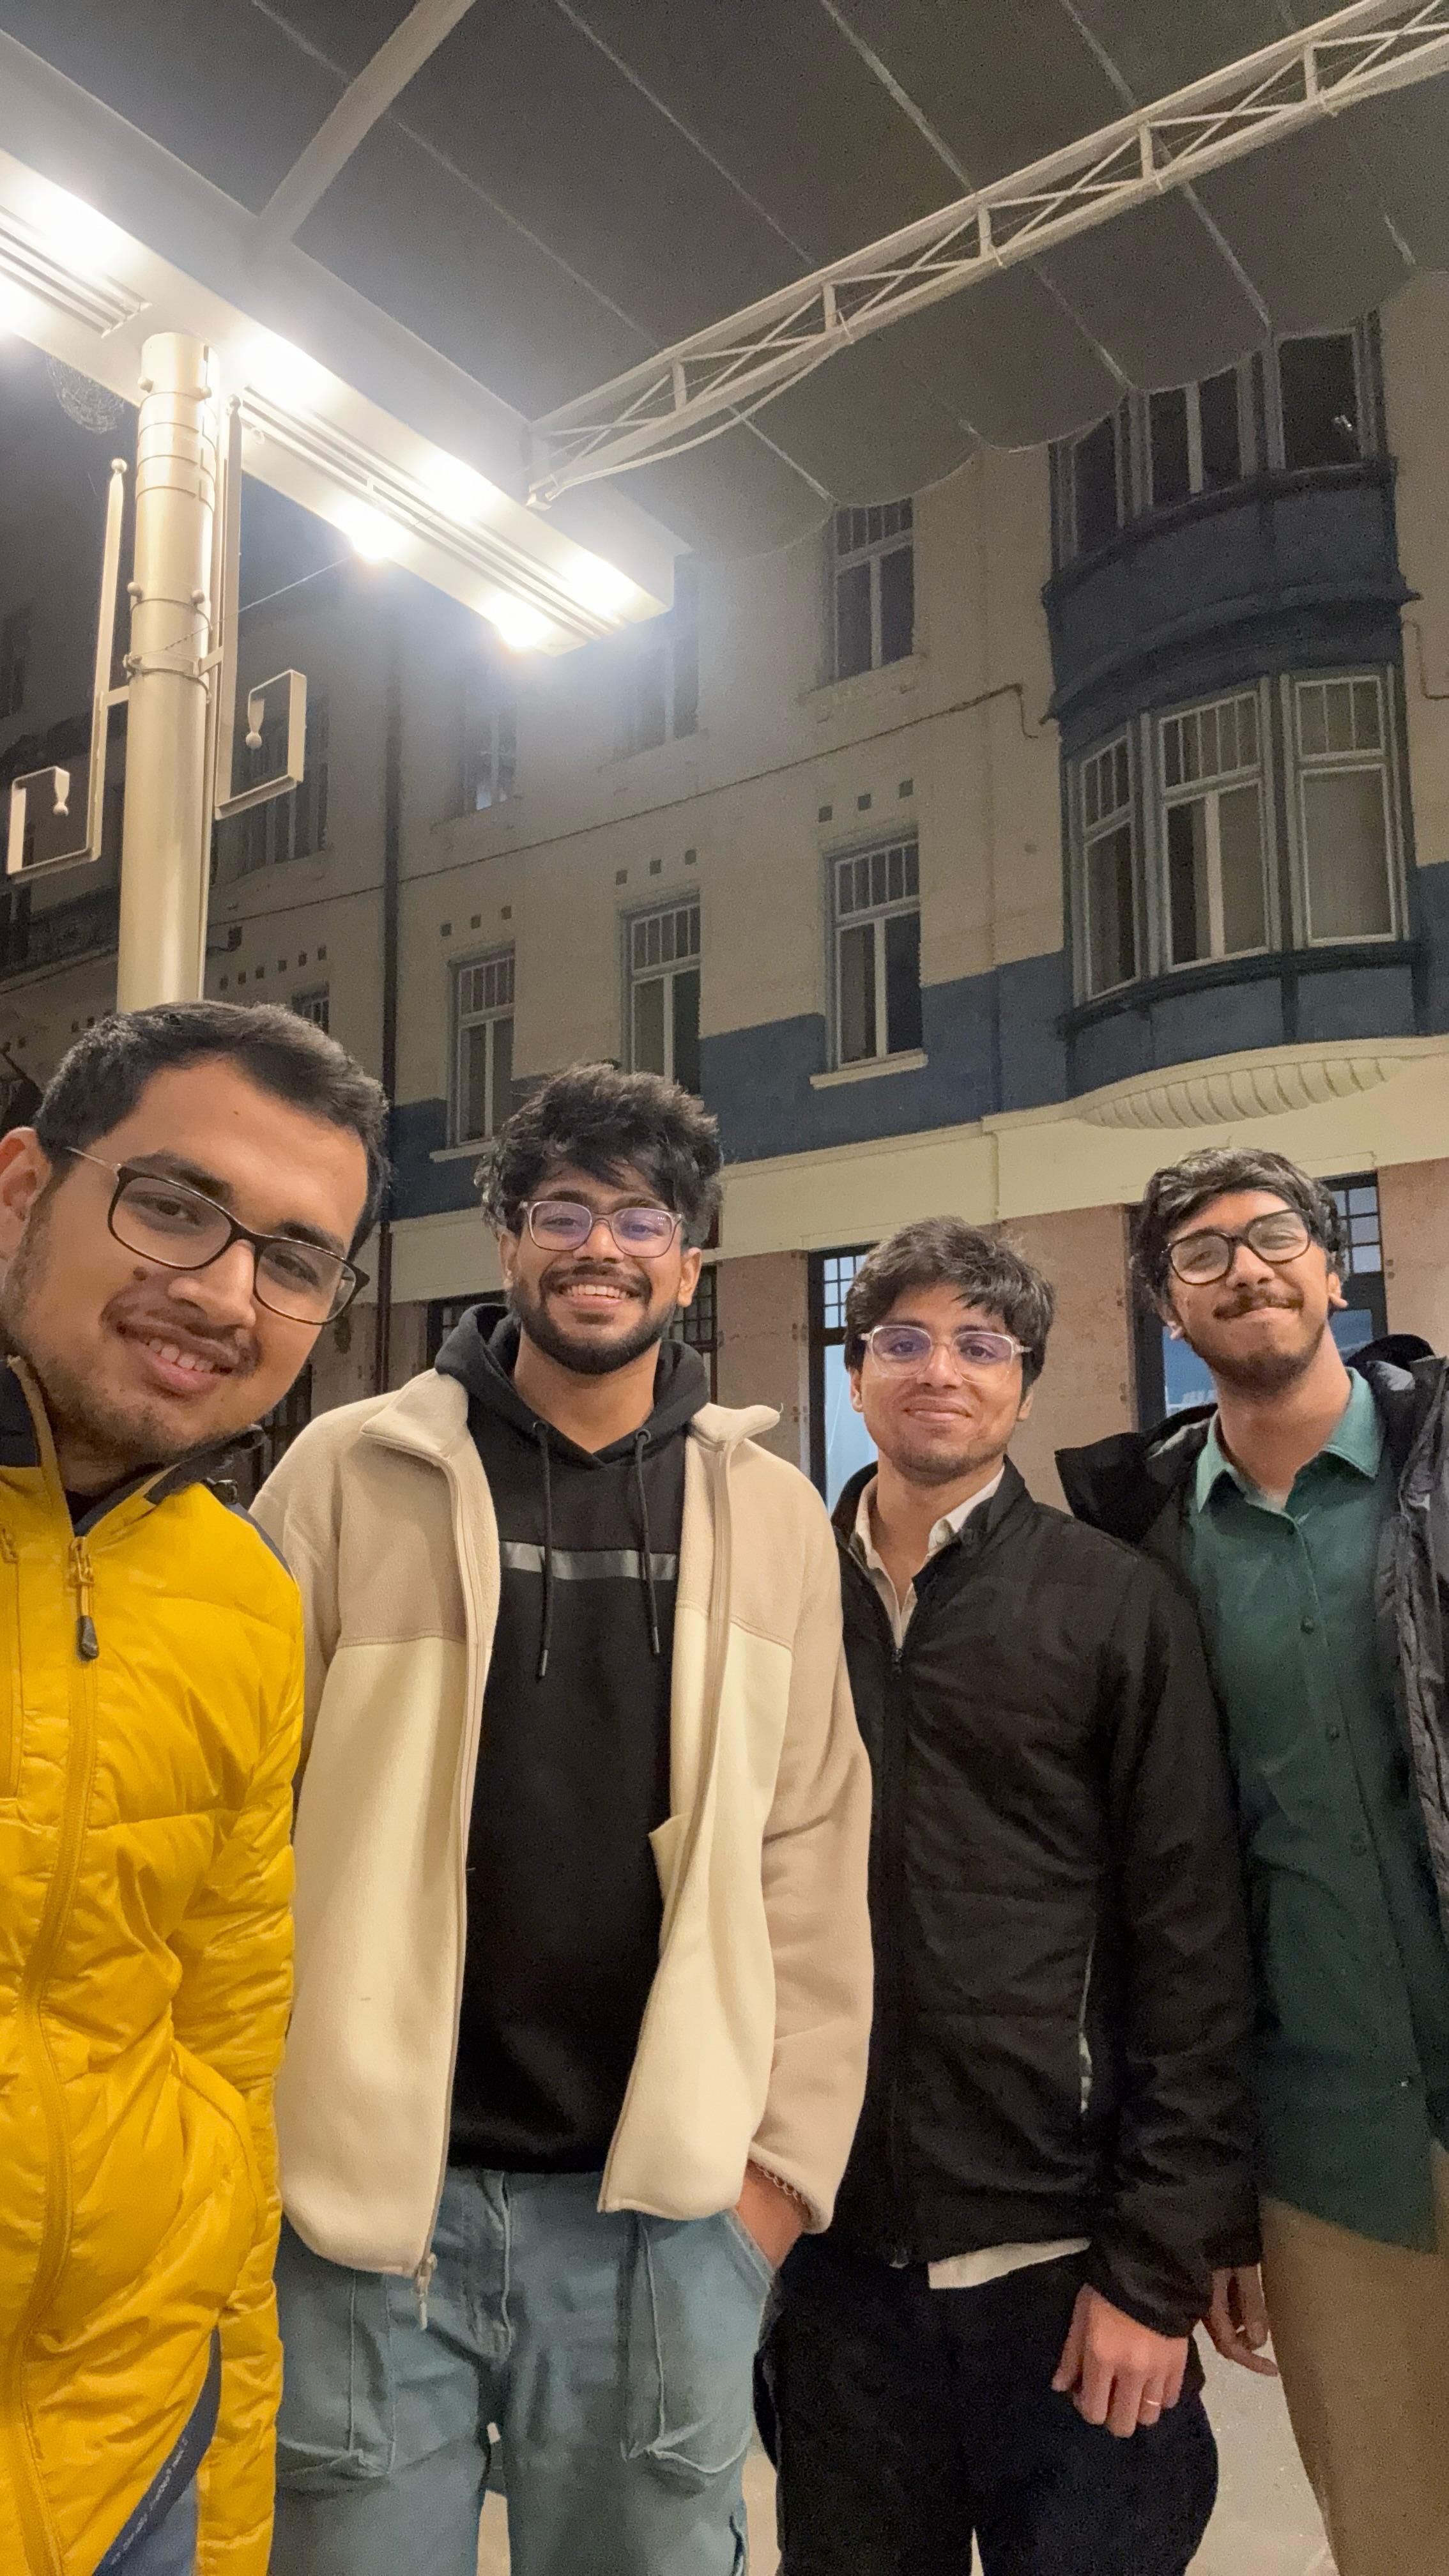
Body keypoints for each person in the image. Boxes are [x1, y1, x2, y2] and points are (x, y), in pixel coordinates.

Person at [254, 1061, 873, 2576]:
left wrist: (771, 2189)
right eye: (565, 1211)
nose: (603, 1246)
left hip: (663, 2225)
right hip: (365, 2221)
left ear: (691, 1261)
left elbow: (811, 1845)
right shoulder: (350, 1473)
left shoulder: (769, 1513)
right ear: (507, 1239)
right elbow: (244, 1818)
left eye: (643, 1219)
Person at [761, 1217, 1257, 2576]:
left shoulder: (1112, 1603)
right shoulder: (778, 1600)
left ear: (1025, 1388)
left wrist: (1155, 2271)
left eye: (982, 1347)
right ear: (855, 1373)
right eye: (904, 1341)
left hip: (1067, 2270)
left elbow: (1193, 1944)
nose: (941, 1371)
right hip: (834, 2271)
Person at [0, 1001, 385, 2576]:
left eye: (295, 1259)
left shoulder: (244, 1599)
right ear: (23, 1188)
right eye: (172, 1206)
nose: (226, 1292)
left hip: (127, 2471)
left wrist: (218, 2519)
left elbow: (225, 2069)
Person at [1060, 1146, 1449, 2576]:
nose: (1247, 1270)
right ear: (1169, 1311)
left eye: (1274, 1235)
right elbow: (1161, 1899)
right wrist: (1209, 2205)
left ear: (1333, 1270)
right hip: (1332, 2158)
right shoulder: (1141, 1559)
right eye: (1202, 1256)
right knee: (1399, 2537)